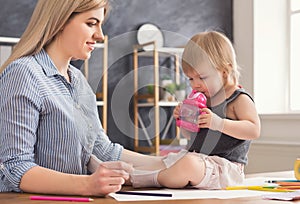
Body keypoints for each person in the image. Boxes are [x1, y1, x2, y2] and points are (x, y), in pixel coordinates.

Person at [0, 0, 166, 196]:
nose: (100, 35)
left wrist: (168, 164)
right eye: (91, 23)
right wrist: (87, 184)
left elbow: (102, 150)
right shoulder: (23, 73)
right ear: (60, 21)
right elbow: (14, 167)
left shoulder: (78, 80)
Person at [127, 31, 261, 190]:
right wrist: (184, 121)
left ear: (224, 72)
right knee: (166, 160)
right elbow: (189, 136)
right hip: (198, 159)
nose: (195, 84)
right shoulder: (203, 99)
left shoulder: (238, 99)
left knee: (187, 163)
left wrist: (218, 123)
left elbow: (254, 130)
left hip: (224, 167)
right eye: (191, 78)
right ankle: (120, 171)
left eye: (202, 77)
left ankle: (143, 179)